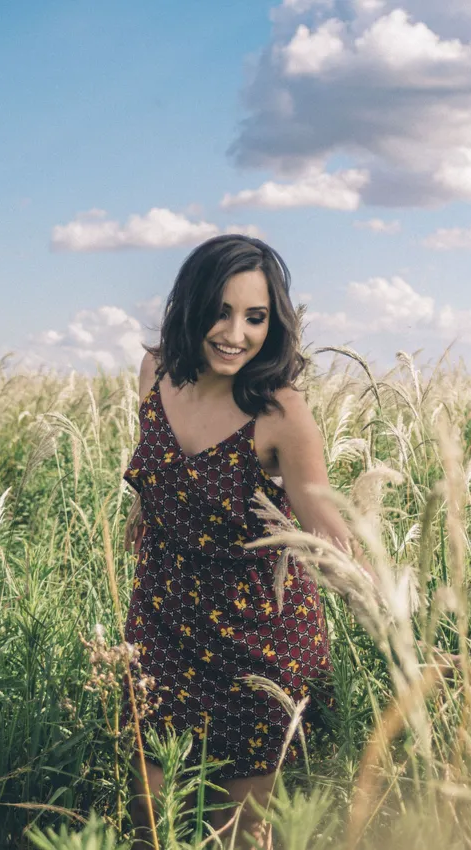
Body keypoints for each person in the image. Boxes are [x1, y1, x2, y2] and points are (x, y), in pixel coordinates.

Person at [119, 234, 351, 849]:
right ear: (191, 305)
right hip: (160, 623)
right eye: (222, 312)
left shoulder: (280, 411)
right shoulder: (156, 371)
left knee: (240, 835)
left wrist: (387, 605)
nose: (235, 334)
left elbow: (326, 530)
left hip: (256, 640)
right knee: (153, 820)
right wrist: (146, 510)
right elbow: (156, 467)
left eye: (255, 317)